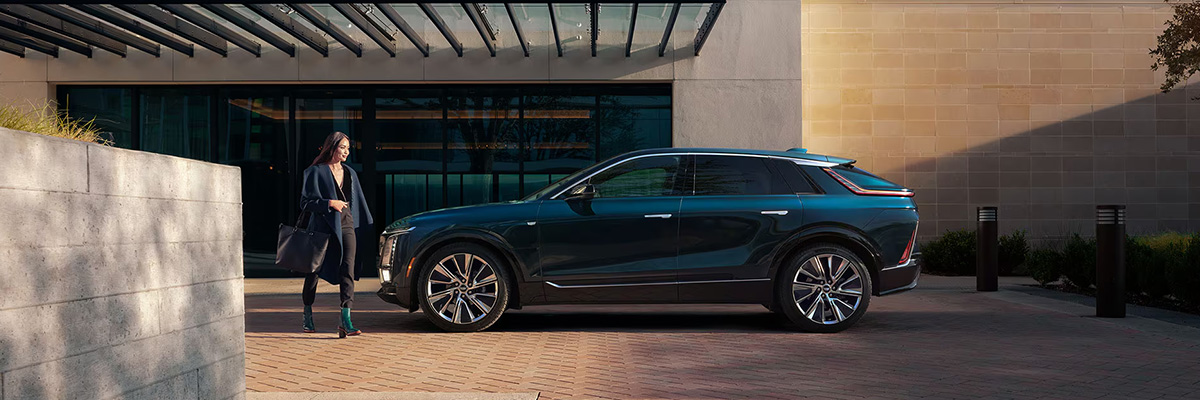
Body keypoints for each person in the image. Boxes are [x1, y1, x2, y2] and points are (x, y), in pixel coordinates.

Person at [299, 131, 373, 338]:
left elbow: (357, 202)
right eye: (342, 147)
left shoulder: (350, 173)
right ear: (331, 148)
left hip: (346, 223)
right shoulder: (315, 171)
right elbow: (305, 203)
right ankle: (307, 313)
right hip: (322, 226)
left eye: (348, 148)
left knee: (348, 268)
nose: (346, 152)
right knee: (313, 271)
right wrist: (329, 203)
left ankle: (346, 319)